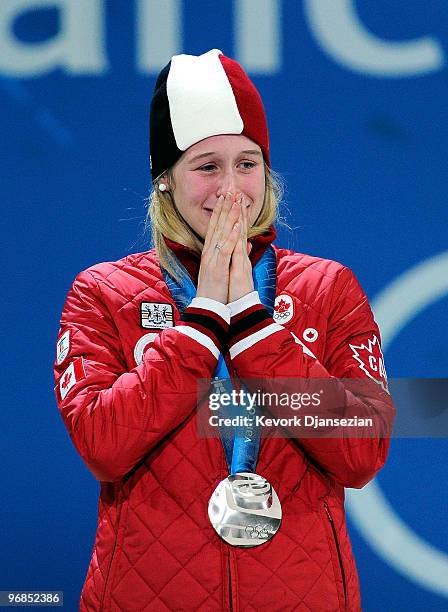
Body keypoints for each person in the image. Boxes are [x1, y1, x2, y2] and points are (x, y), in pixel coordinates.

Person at [54, 49, 395, 611]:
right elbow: (103, 447)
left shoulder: (327, 288)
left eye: (248, 163)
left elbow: (361, 452)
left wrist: (254, 324)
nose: (231, 188)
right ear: (164, 180)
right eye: (206, 166)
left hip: (302, 597)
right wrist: (205, 316)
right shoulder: (102, 293)